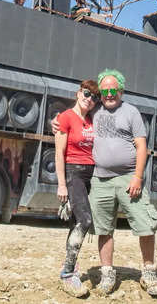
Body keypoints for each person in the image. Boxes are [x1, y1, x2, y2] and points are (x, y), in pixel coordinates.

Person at [53, 69, 157, 296]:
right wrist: (55, 122)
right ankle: (100, 273)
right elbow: (69, 121)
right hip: (98, 178)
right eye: (104, 92)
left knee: (144, 224)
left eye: (113, 90)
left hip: (127, 177)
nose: (107, 95)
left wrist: (138, 176)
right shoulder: (94, 109)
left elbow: (142, 146)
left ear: (121, 91)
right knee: (99, 227)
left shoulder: (129, 112)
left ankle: (149, 273)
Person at [54, 79, 100, 297]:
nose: (89, 99)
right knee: (85, 220)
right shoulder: (65, 118)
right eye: (86, 94)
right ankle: (67, 273)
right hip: (74, 172)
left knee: (75, 223)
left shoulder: (91, 120)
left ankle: (72, 267)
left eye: (94, 97)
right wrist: (62, 184)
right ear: (77, 93)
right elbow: (59, 153)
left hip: (92, 173)